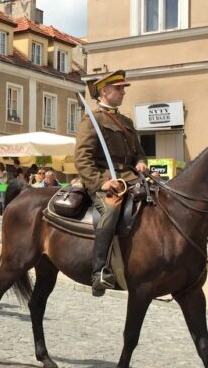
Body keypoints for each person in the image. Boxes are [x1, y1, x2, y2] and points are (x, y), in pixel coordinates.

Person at [75, 69, 148, 297]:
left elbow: (139, 152)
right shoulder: (92, 120)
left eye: (123, 88)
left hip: (131, 177)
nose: (123, 92)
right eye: (119, 89)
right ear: (104, 91)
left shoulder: (126, 121)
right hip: (106, 180)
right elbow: (82, 157)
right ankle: (99, 272)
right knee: (111, 209)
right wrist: (100, 183)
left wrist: (142, 163)